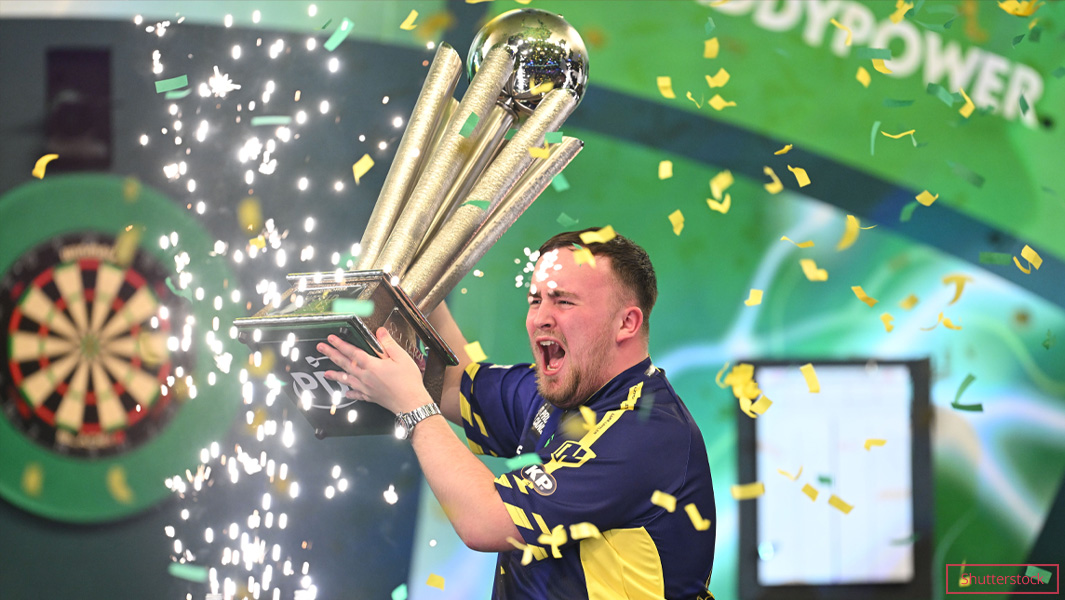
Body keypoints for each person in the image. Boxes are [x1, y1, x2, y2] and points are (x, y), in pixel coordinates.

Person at [317, 228, 716, 599]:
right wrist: (413, 283)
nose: (541, 317)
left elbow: (485, 521)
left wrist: (413, 409)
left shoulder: (648, 434)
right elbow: (454, 384)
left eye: (563, 301)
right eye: (535, 300)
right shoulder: (559, 391)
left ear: (626, 322)